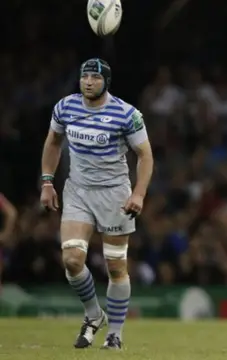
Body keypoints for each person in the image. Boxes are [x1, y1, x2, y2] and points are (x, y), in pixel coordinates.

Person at [40, 58, 154, 350]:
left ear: (106, 82)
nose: (88, 81)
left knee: (116, 267)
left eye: (95, 77)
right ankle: (93, 314)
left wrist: (138, 193)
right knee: (71, 260)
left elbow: (145, 155)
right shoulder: (65, 107)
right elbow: (53, 142)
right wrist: (47, 182)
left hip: (115, 195)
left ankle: (114, 334)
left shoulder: (126, 114)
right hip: (78, 191)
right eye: (84, 76)